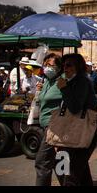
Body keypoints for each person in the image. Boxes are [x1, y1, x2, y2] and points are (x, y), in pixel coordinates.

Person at [55, 53, 97, 186]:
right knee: (79, 172)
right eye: (63, 65)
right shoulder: (72, 81)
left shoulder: (82, 81)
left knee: (71, 174)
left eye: (69, 65)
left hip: (83, 133)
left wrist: (64, 89)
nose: (65, 68)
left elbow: (75, 107)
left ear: (78, 66)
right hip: (72, 133)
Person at [35, 53, 63, 186]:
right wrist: (39, 91)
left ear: (59, 67)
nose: (48, 68)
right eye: (46, 65)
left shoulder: (62, 81)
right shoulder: (46, 81)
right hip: (45, 125)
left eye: (51, 65)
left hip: (55, 126)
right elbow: (41, 101)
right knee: (60, 160)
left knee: (42, 162)